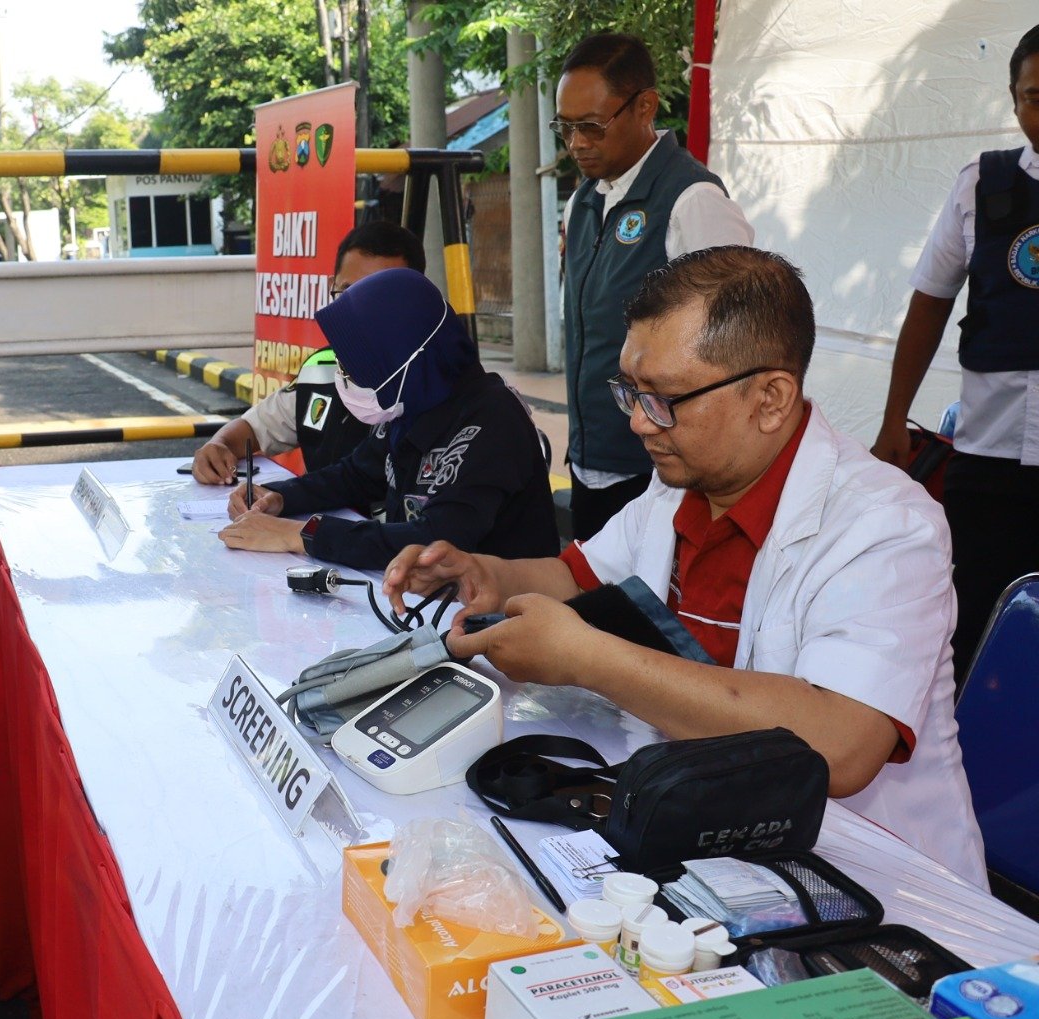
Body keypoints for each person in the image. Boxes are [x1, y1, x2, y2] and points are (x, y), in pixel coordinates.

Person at [385, 247, 986, 886]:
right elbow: (574, 577)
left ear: (771, 398)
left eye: (666, 397)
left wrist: (585, 658)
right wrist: (484, 573)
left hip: (878, 880)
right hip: (713, 836)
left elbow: (841, 744)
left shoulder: (887, 526)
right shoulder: (679, 485)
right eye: (630, 392)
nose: (641, 423)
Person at [871, 24, 1039, 685]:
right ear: (1013, 98)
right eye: (1033, 95)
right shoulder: (981, 184)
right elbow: (930, 303)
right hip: (989, 459)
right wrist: (893, 418)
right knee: (974, 634)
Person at [218, 267, 559, 571]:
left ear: (408, 358)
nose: (345, 378)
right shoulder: (414, 400)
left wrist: (300, 534)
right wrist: (279, 497)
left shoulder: (493, 422)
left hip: (500, 618)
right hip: (424, 603)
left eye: (355, 368)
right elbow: (356, 475)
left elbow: (437, 542)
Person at [557, 32, 754, 541]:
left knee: (640, 618)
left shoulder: (692, 201)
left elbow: (736, 347)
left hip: (659, 475)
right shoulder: (584, 202)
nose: (577, 143)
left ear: (645, 106)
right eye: (566, 128)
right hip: (589, 460)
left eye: (592, 127)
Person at [190, 220, 424, 484]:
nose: (361, 311)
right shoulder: (321, 369)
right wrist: (218, 446)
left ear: (417, 298)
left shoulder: (436, 382)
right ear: (331, 286)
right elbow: (256, 426)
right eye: (348, 293)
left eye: (382, 297)